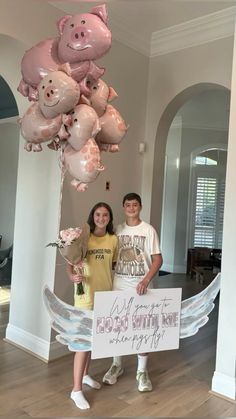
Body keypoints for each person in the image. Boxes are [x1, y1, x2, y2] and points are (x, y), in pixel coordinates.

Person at [102, 192, 163, 392]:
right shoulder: (117, 230)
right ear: (123, 207)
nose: (131, 208)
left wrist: (146, 280)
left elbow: (158, 259)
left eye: (135, 204)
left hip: (142, 287)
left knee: (143, 329)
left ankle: (142, 372)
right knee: (118, 326)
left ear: (140, 206)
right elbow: (111, 258)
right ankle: (116, 365)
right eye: (127, 204)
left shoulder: (148, 230)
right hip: (119, 285)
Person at [67, 202, 118, 410]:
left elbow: (112, 266)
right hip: (85, 297)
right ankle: (76, 390)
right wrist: (72, 276)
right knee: (82, 344)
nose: (101, 218)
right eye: (98, 214)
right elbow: (70, 262)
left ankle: (86, 375)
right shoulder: (83, 238)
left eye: (105, 215)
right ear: (93, 216)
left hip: (104, 296)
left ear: (109, 217)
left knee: (93, 340)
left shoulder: (114, 240)